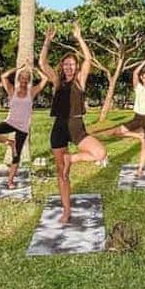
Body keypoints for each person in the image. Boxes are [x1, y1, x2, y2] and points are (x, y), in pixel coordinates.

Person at [39, 24, 107, 224]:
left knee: (100, 153)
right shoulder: (57, 81)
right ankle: (66, 210)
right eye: (66, 64)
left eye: (72, 64)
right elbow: (42, 62)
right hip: (59, 127)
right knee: (62, 174)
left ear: (76, 67)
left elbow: (87, 59)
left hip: (77, 127)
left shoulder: (80, 81)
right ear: (62, 66)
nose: (69, 67)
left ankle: (72, 159)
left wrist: (79, 37)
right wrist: (47, 41)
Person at [0, 65, 49, 189]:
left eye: (27, 78)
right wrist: (18, 68)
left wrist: (34, 69)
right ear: (18, 79)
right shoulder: (12, 90)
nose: (24, 80)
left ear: (29, 80)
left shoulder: (32, 92)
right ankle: (9, 142)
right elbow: (4, 76)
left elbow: (45, 79)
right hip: (10, 122)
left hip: (23, 127)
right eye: (22, 78)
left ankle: (10, 181)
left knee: (16, 156)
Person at [113, 52, 145, 176]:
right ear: (141, 78)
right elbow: (134, 73)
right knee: (118, 132)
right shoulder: (138, 88)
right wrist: (144, 62)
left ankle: (140, 170)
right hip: (138, 118)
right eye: (144, 77)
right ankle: (138, 136)